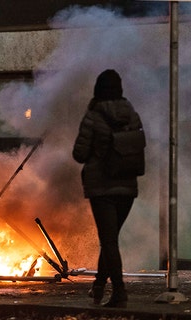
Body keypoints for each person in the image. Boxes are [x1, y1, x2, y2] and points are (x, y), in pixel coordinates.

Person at [72, 69, 144, 308]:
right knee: (110, 239)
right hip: (127, 185)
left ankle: (119, 292)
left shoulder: (93, 116)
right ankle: (99, 286)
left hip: (102, 187)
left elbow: (79, 154)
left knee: (109, 241)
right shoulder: (132, 114)